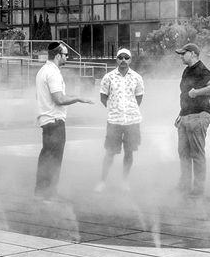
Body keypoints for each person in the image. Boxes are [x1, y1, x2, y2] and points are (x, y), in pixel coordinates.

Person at [35, 41, 91, 201]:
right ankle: (48, 194)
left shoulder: (43, 71)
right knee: (53, 158)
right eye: (66, 54)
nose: (68, 56)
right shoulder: (53, 73)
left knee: (47, 156)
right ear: (58, 55)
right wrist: (78, 98)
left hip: (47, 119)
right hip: (54, 120)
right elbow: (58, 99)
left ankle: (41, 193)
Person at [95, 48, 145, 192]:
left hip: (132, 120)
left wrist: (129, 109)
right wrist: (114, 109)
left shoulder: (137, 78)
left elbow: (139, 98)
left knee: (129, 152)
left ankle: (124, 180)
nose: (123, 60)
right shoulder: (108, 77)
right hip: (114, 121)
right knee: (110, 152)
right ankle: (102, 181)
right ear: (116, 59)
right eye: (120, 57)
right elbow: (103, 97)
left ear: (130, 60)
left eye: (126, 57)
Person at [175, 42, 210, 197]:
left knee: (197, 153)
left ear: (193, 53)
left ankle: (198, 188)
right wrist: (181, 114)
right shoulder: (187, 71)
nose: (181, 56)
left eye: (183, 53)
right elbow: (184, 94)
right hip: (186, 115)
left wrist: (198, 92)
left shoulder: (202, 70)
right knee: (183, 152)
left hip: (199, 114)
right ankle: (184, 185)